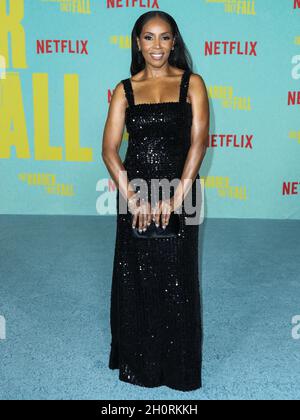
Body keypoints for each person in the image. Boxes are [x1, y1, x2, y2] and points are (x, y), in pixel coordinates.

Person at [102, 10, 209, 391]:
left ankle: (178, 368)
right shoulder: (124, 89)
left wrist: (176, 197)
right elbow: (110, 150)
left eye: (165, 37)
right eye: (149, 37)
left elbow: (198, 144)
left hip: (181, 194)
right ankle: (139, 362)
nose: (157, 46)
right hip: (136, 197)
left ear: (174, 42)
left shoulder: (192, 84)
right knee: (136, 278)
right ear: (137, 43)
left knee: (178, 279)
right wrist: (133, 197)